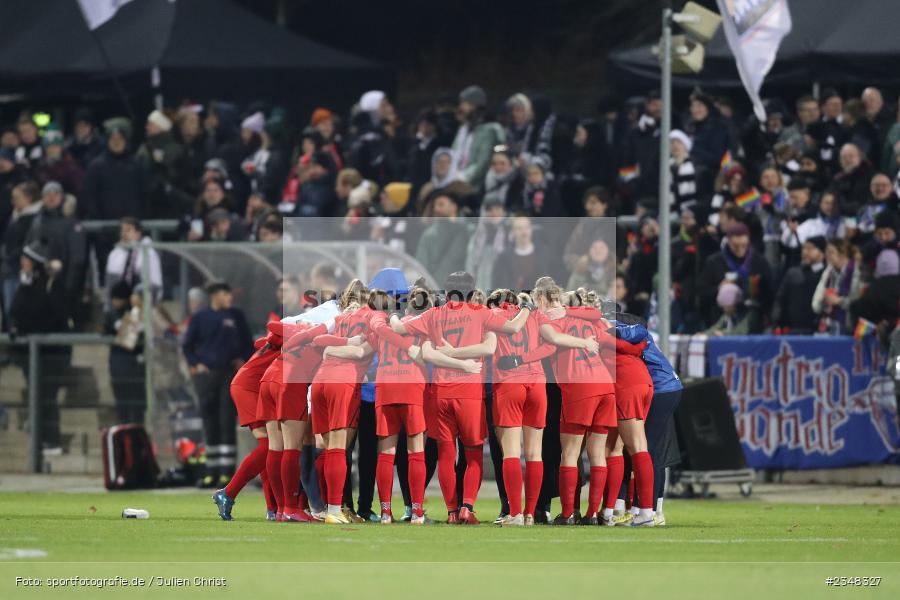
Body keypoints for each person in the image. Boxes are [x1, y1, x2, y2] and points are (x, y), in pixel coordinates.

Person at [389, 271, 508, 524]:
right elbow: (496, 342)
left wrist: (391, 310)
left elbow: (398, 328)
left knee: (445, 454)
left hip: (441, 392)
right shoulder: (480, 313)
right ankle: (467, 507)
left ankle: (452, 512)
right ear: (472, 289)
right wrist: (527, 309)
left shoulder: (433, 314)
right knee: (473, 452)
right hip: (470, 392)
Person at [182, 282, 253, 488]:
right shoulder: (200, 317)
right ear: (214, 295)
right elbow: (187, 346)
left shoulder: (236, 316)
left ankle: (226, 472)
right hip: (207, 375)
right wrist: (195, 364)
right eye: (224, 293)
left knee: (226, 419)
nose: (229, 297)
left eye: (229, 293)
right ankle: (210, 471)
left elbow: (248, 344)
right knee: (209, 419)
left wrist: (243, 360)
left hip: (229, 374)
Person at [211, 325, 281, 521]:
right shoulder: (299, 334)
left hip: (251, 383)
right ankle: (228, 493)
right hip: (250, 386)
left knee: (268, 447)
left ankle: (272, 509)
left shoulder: (287, 333)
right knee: (269, 447)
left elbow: (260, 342)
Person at [698, 223, 774, 333]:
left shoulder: (759, 262)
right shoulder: (715, 262)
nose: (740, 249)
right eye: (735, 246)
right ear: (728, 241)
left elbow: (770, 293)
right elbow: (701, 291)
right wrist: (719, 288)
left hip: (753, 323)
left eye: (744, 245)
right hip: (720, 321)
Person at [104, 282, 147, 423]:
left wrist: (137, 310)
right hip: (119, 365)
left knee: (137, 408)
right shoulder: (111, 315)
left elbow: (130, 335)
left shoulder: (139, 313)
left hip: (135, 367)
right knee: (122, 405)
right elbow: (125, 335)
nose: (115, 302)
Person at [451, 85, 506, 195]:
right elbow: (453, 154)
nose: (460, 108)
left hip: (477, 186)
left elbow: (483, 162)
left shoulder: (490, 129)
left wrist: (461, 178)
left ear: (474, 106)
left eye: (464, 104)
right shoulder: (463, 129)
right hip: (456, 178)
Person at [136, 110, 189, 218]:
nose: (147, 127)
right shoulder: (145, 147)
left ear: (161, 126)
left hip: (171, 203)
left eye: (151, 124)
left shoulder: (176, 149)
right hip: (148, 201)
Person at [1, 181, 41, 324]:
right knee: (8, 307)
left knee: (20, 306)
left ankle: (23, 345)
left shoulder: (36, 218)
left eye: (17, 198)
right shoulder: (15, 216)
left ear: (28, 198)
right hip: (9, 268)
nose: (13, 202)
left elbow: (30, 243)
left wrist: (12, 257)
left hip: (23, 268)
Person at [773, 236, 827, 334]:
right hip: (794, 330)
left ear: (822, 253)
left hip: (820, 332)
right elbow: (780, 300)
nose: (805, 252)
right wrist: (776, 323)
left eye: (810, 248)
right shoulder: (793, 274)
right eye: (804, 248)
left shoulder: (828, 275)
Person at [415, 193, 471, 285]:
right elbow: (421, 266)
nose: (436, 209)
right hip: (436, 288)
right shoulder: (429, 235)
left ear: (453, 207)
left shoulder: (468, 232)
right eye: (435, 206)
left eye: (441, 205)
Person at [104, 217, 162, 305]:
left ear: (138, 233)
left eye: (128, 230)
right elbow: (111, 282)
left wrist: (137, 294)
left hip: (143, 298)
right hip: (123, 299)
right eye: (122, 231)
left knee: (136, 296)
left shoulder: (148, 253)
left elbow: (154, 285)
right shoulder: (115, 253)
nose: (124, 234)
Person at [812, 239, 862, 335]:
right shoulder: (828, 272)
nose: (827, 255)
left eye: (831, 252)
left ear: (843, 254)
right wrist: (823, 300)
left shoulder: (856, 272)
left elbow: (857, 303)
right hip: (828, 325)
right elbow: (816, 303)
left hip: (849, 327)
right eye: (827, 252)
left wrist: (838, 301)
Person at [492, 215, 554, 292]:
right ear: (513, 231)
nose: (524, 232)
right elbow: (498, 286)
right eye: (519, 228)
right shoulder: (503, 258)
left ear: (531, 229)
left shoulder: (544, 253)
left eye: (526, 227)